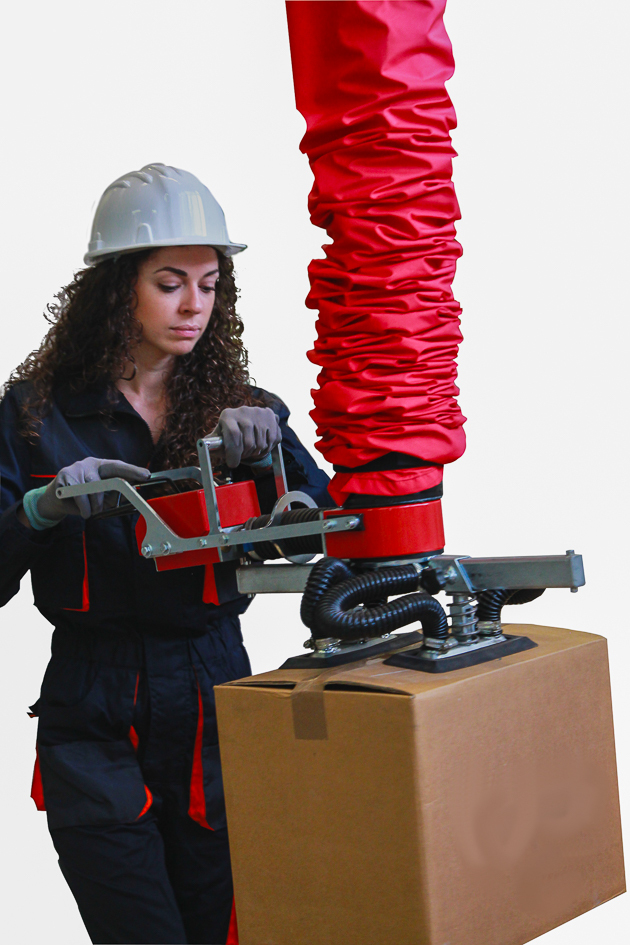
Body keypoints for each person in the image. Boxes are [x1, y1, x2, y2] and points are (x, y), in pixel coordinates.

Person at [0, 163, 331, 945]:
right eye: (170, 282)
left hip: (214, 691)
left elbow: (319, 532)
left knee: (226, 928)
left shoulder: (242, 408)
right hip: (93, 704)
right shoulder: (35, 415)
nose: (194, 307)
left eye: (210, 285)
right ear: (119, 287)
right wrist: (39, 509)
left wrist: (271, 466)